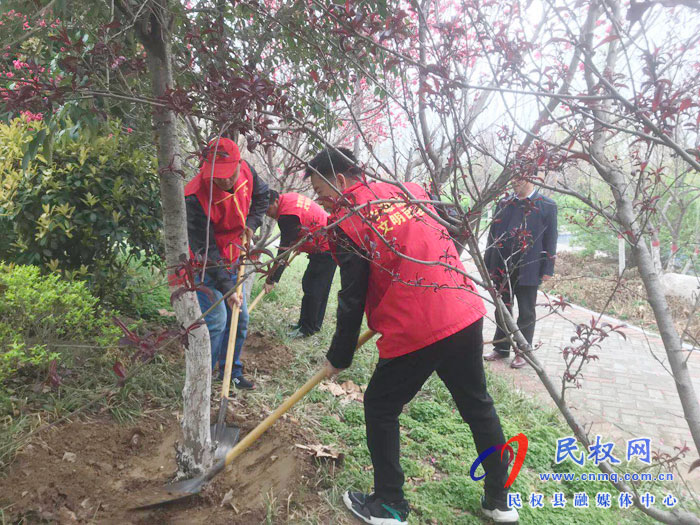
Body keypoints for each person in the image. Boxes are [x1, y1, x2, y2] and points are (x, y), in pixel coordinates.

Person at [307, 146, 518, 525]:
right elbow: (452, 234)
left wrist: (338, 357)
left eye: (322, 193)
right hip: (463, 308)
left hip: (417, 324)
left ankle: (388, 504)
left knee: (380, 406)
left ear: (340, 181)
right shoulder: (409, 190)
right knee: (477, 405)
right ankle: (499, 501)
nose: (322, 202)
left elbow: (351, 298)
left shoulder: (347, 223)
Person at [184, 137, 269, 390]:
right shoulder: (195, 195)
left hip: (234, 254)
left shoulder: (247, 171)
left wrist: (251, 225)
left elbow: (263, 196)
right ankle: (203, 382)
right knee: (217, 320)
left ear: (238, 163)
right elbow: (205, 248)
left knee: (240, 317)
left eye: (228, 174)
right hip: (206, 263)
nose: (224, 180)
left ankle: (231, 372)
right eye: (217, 175)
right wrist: (228, 288)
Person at [483, 175, 558, 369]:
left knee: (526, 311)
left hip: (529, 267)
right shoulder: (505, 203)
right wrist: (487, 263)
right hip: (502, 265)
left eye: (519, 179)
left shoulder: (546, 205)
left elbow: (551, 238)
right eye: (513, 179)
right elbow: (493, 234)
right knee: (502, 308)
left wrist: (548, 268)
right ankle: (501, 348)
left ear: (531, 179)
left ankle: (523, 351)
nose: (514, 183)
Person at [264, 190, 337, 337]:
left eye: (268, 209)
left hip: (325, 247)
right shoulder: (290, 198)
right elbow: (303, 223)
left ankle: (306, 329)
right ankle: (311, 325)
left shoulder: (287, 215)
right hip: (330, 242)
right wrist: (300, 244)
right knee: (318, 288)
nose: (267, 214)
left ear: (276, 201)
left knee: (313, 288)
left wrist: (272, 279)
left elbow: (284, 251)